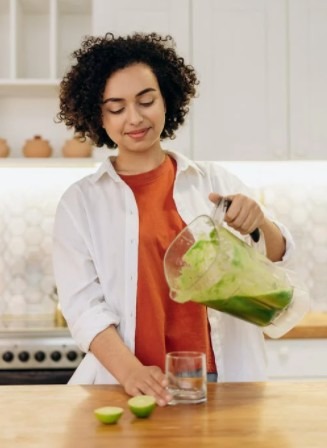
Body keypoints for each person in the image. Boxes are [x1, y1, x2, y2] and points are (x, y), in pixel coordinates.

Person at [53, 32, 294, 406]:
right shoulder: (80, 203)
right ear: (97, 115)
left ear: (167, 98)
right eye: (116, 108)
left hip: (222, 378)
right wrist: (131, 372)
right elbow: (83, 308)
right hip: (129, 383)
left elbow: (278, 260)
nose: (134, 118)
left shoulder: (214, 181)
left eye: (146, 101)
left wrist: (260, 222)